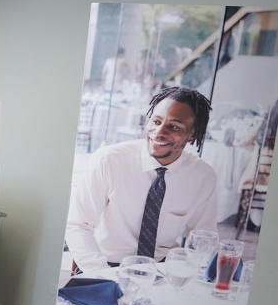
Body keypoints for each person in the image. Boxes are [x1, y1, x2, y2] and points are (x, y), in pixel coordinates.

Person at [65, 86, 216, 271]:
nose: (159, 132)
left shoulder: (202, 177)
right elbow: (78, 224)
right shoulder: (109, 160)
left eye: (174, 126)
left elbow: (204, 238)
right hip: (105, 265)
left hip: (161, 270)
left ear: (192, 135)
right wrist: (101, 274)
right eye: (156, 121)